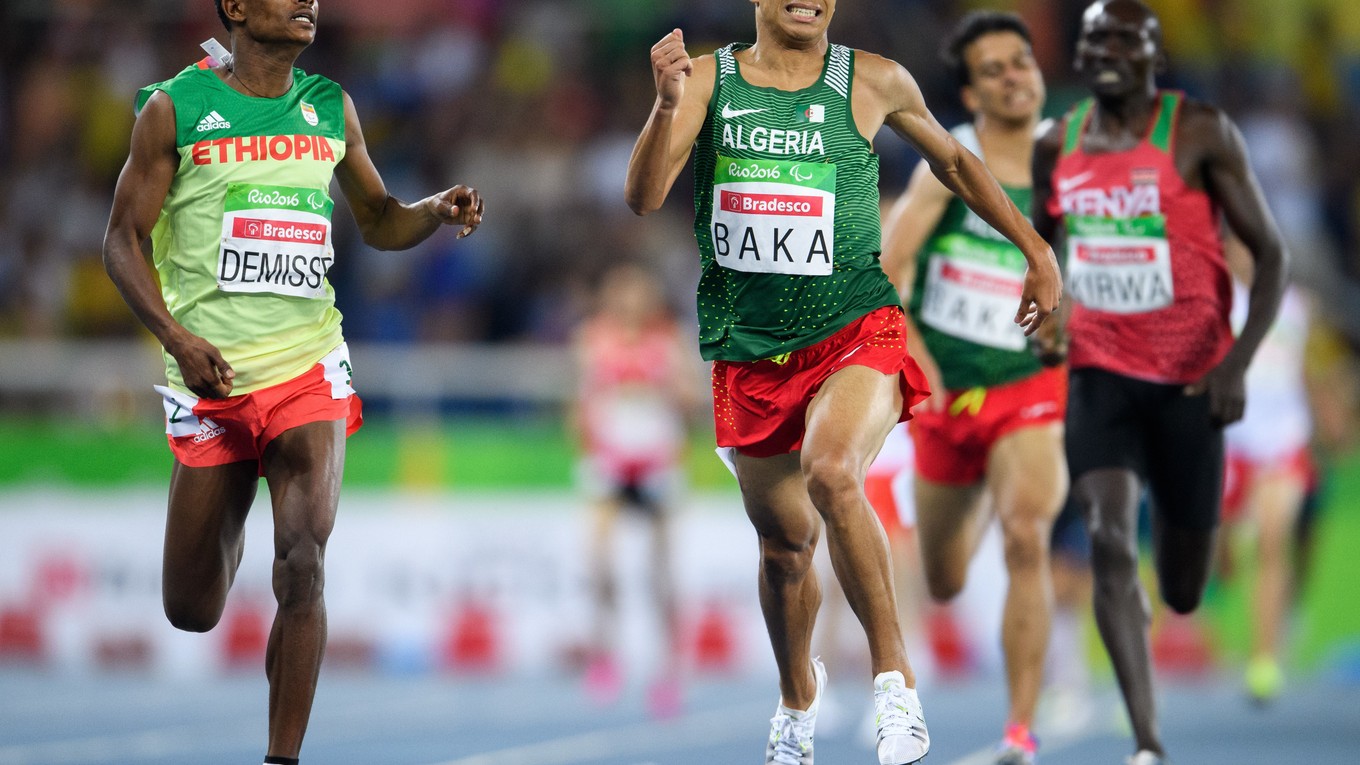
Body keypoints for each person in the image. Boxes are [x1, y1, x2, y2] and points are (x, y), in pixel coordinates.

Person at [624, 1, 1062, 762]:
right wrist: (665, 107)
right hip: (750, 351)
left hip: (854, 328)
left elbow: (954, 163)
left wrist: (1036, 249)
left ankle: (896, 684)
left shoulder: (874, 80)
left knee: (834, 472)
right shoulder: (708, 81)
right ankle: (798, 699)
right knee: (785, 551)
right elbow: (645, 195)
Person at [100, 1, 483, 763]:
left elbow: (377, 219)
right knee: (191, 607)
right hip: (211, 380)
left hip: (309, 367)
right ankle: (236, 494)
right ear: (236, 9)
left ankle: (282, 757)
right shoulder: (177, 108)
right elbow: (121, 239)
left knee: (304, 558)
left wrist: (433, 211)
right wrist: (177, 337)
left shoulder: (330, 106)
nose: (307, 1)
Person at [1030, 2, 1286, 763]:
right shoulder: (1056, 144)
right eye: (1095, 39)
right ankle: (1147, 740)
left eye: (1124, 40)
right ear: (1078, 55)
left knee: (1181, 587)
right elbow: (1046, 247)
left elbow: (1270, 257)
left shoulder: (1200, 131)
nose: (1107, 51)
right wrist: (1048, 313)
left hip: (1191, 384)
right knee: (1108, 538)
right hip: (1101, 375)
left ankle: (1176, 599)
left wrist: (1237, 361)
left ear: (1154, 56)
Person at [879, 12, 1067, 764]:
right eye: (994, 69)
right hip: (949, 396)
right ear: (971, 91)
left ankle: (1020, 730)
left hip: (1030, 386)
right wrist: (925, 369)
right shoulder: (946, 165)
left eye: (1021, 61)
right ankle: (983, 487)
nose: (1015, 76)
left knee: (1027, 537)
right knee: (945, 580)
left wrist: (1074, 322)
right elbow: (887, 277)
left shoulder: (1074, 162)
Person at [570, 262, 700, 718]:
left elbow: (689, 403)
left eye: (637, 295)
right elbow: (580, 399)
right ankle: (605, 656)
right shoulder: (593, 337)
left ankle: (669, 668)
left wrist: (666, 386)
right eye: (621, 295)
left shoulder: (669, 339)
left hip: (655, 461)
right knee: (601, 564)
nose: (629, 303)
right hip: (609, 459)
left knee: (660, 572)